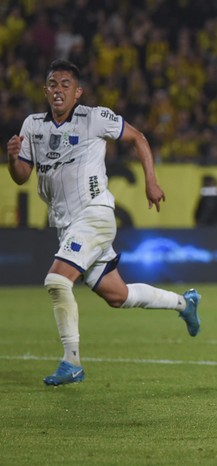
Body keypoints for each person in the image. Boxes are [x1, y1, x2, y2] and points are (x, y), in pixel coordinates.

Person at [6, 59, 202, 386]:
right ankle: (185, 303)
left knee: (57, 281)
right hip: (67, 226)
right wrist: (13, 158)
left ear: (77, 92)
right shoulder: (32, 126)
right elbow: (21, 177)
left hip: (95, 215)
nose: (58, 90)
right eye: (53, 84)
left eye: (65, 85)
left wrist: (151, 181)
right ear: (45, 90)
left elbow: (138, 137)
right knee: (118, 295)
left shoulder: (94, 118)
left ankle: (72, 362)